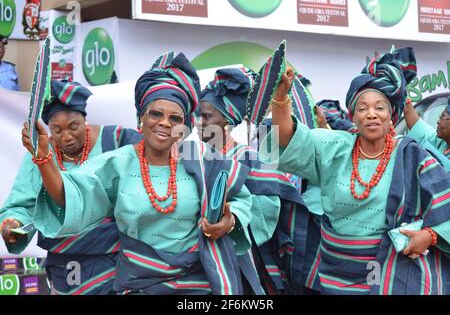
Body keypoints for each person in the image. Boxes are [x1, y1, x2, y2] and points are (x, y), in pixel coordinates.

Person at [21, 52, 254, 295]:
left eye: (175, 118)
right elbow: (68, 196)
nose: (165, 123)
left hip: (197, 284)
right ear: (140, 117)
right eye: (156, 114)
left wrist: (230, 220)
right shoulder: (117, 164)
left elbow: (240, 199)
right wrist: (43, 158)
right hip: (138, 284)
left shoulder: (204, 159)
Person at [260, 46, 450, 294]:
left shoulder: (413, 155)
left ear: (391, 115)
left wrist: (429, 236)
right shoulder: (335, 147)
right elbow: (286, 137)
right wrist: (281, 98)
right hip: (336, 272)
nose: (371, 114)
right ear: (353, 116)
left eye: (380, 107)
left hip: (393, 273)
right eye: (363, 108)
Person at [0, 79, 142, 294]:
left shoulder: (118, 140)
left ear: (84, 120)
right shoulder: (39, 156)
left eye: (73, 126)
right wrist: (13, 223)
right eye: (56, 130)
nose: (66, 137)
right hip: (64, 264)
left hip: (116, 260)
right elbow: (22, 204)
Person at [198, 67, 306, 294]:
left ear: (227, 121)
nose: (198, 122)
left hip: (243, 262)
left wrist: (233, 219)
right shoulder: (195, 156)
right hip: (200, 264)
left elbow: (268, 209)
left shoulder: (248, 158)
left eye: (206, 116)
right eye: (197, 115)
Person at [403, 96, 450, 170]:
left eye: (442, 117)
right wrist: (404, 97)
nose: (438, 122)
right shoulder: (441, 143)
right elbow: (417, 126)